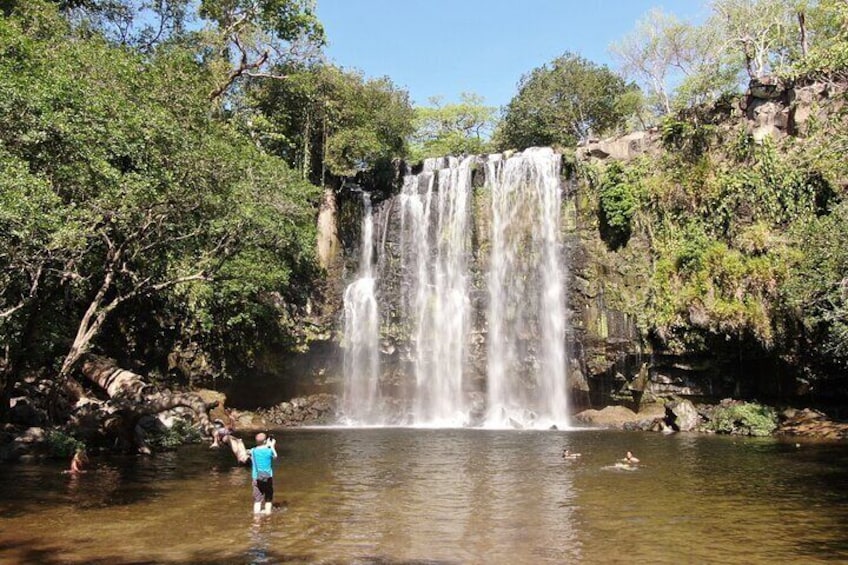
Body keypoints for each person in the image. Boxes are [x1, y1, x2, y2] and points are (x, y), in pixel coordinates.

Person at [249, 432, 277, 515]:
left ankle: (256, 519)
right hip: (268, 478)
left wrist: (266, 444)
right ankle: (268, 516)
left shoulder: (253, 451)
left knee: (257, 500)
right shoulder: (268, 451)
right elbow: (275, 456)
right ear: (265, 441)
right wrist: (272, 446)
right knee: (268, 498)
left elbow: (256, 450)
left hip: (256, 478)